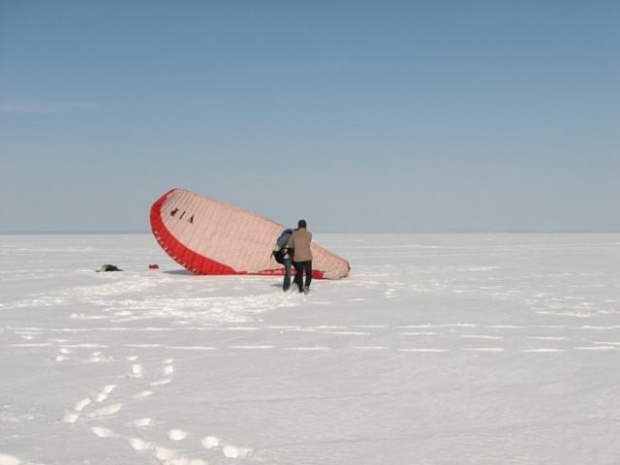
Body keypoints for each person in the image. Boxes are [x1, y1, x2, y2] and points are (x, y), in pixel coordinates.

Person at [287, 219, 313, 294]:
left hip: (297, 258)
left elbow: (290, 244)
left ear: (298, 226)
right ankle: (307, 286)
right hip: (308, 257)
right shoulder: (309, 234)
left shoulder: (294, 234)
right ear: (306, 226)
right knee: (308, 273)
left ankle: (300, 288)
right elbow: (308, 240)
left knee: (299, 273)